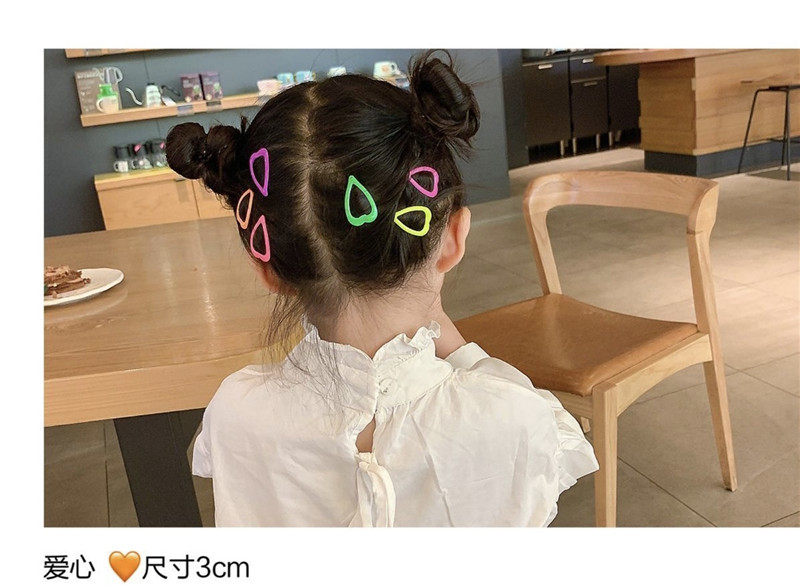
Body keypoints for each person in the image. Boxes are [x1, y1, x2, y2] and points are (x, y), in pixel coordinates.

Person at [165, 50, 598, 527]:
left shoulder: (234, 413)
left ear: (267, 268)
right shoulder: (513, 420)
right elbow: (545, 427)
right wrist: (453, 341)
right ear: (453, 240)